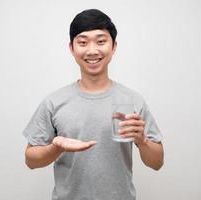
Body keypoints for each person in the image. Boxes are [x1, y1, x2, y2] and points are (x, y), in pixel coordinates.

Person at [22, 9, 164, 200]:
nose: (92, 50)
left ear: (113, 47)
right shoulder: (53, 102)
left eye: (101, 41)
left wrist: (142, 140)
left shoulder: (132, 100)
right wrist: (56, 148)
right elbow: (30, 160)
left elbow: (157, 162)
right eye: (82, 42)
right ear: (72, 48)